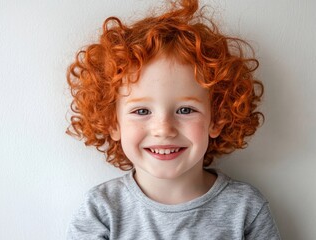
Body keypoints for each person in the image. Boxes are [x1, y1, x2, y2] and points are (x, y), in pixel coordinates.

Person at [65, 0, 280, 239]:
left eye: (186, 110)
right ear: (113, 123)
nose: (163, 129)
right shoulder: (101, 210)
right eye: (142, 111)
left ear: (216, 119)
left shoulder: (246, 209)